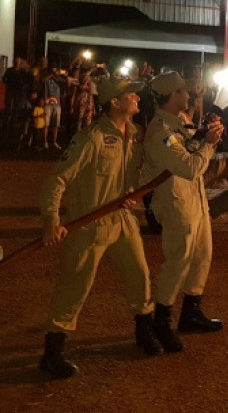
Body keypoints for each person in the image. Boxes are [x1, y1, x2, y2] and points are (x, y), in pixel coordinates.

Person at [38, 77, 161, 379]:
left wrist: (130, 193)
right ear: (114, 103)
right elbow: (57, 180)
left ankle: (144, 332)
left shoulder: (134, 135)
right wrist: (51, 220)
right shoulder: (90, 137)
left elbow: (131, 175)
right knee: (74, 286)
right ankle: (52, 353)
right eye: (129, 94)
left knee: (139, 276)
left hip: (122, 221)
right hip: (89, 225)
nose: (135, 97)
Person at [141, 71, 224, 353]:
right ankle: (161, 322)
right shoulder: (161, 132)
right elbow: (189, 167)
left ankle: (191, 313)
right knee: (178, 261)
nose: (188, 95)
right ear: (171, 96)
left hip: (195, 199)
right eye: (183, 91)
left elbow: (190, 148)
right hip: (176, 202)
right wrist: (210, 144)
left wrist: (205, 134)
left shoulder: (180, 122)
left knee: (202, 255)